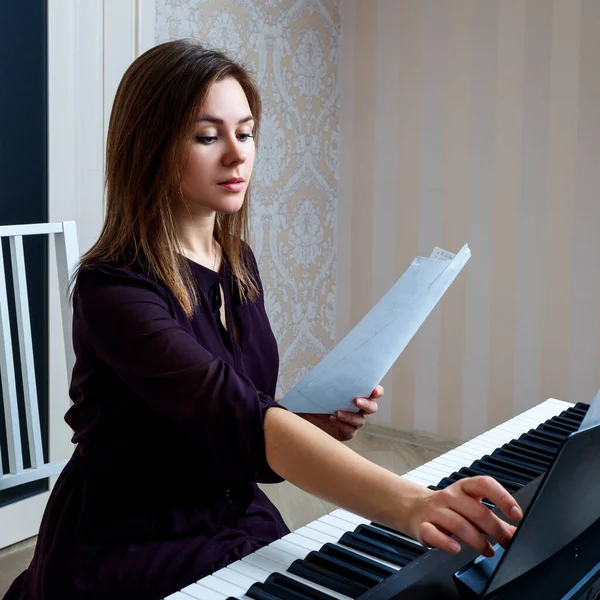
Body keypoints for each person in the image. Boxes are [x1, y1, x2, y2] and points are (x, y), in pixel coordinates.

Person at [4, 39, 522, 600]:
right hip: (133, 537)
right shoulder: (114, 290)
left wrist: (312, 426)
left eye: (245, 133)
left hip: (231, 510)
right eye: (208, 136)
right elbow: (238, 412)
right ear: (148, 149)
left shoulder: (238, 261)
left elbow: (237, 418)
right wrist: (411, 501)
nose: (237, 155)